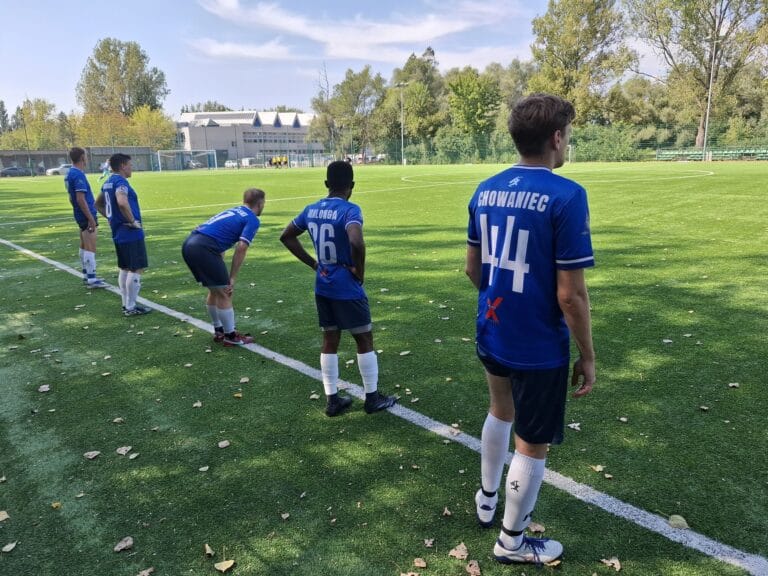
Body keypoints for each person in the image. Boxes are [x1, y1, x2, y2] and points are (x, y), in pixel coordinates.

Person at [465, 94, 595, 566]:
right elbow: (570, 295)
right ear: (556, 138)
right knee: (532, 440)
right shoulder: (567, 195)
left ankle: (485, 500)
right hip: (537, 342)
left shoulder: (485, 189)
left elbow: (472, 270)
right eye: (568, 136)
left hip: (493, 327)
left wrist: (501, 300)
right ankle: (512, 542)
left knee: (500, 410)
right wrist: (588, 354)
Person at [280, 161, 397, 417]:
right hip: (346, 286)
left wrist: (313, 263)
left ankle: (332, 400)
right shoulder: (350, 210)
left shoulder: (311, 209)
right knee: (363, 338)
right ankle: (372, 398)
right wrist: (360, 271)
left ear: (326, 184)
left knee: (330, 339)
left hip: (322, 284)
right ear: (352, 186)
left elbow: (286, 235)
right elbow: (356, 241)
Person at [182, 189, 266, 346]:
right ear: (260, 203)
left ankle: (219, 330)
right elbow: (241, 247)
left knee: (215, 290)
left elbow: (215, 232)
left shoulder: (234, 210)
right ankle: (230, 336)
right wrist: (232, 277)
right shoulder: (252, 219)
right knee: (224, 292)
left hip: (189, 244)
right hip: (204, 248)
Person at [95, 153, 151, 316]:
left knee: (125, 267)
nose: (131, 168)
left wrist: (110, 217)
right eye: (130, 165)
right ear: (122, 166)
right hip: (129, 232)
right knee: (136, 268)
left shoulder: (108, 182)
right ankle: (131, 307)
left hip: (118, 231)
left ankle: (126, 305)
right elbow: (121, 202)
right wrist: (132, 221)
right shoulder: (120, 182)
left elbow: (97, 204)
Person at [65, 147, 108, 289]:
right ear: (83, 157)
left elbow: (72, 198)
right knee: (90, 246)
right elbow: (80, 199)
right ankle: (92, 279)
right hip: (86, 213)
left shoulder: (69, 173)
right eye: (86, 156)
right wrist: (90, 218)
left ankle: (86, 275)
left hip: (80, 213)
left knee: (84, 244)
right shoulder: (78, 175)